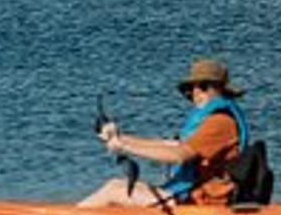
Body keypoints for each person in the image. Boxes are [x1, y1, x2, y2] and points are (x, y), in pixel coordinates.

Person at [83, 57, 257, 207]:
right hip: (189, 196)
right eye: (191, 88)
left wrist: (124, 147)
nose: (196, 92)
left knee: (113, 191)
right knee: (116, 184)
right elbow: (170, 145)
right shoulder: (209, 120)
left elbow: (180, 155)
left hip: (201, 203)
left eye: (203, 86)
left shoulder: (220, 123)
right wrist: (120, 138)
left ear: (220, 89)